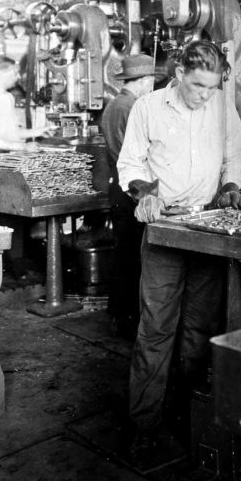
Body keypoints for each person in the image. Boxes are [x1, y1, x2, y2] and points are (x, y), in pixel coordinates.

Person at [116, 40, 241, 467]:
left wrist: (230, 186)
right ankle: (144, 427)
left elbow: (235, 155)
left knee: (199, 329)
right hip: (165, 228)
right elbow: (130, 163)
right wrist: (144, 192)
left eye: (212, 87)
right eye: (197, 86)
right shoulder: (148, 107)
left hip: (206, 227)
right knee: (156, 330)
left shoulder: (222, 106)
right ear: (178, 75)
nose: (205, 95)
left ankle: (188, 416)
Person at [100, 53, 155, 338]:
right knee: (133, 257)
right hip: (130, 191)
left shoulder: (114, 104)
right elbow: (134, 156)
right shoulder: (132, 107)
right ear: (144, 80)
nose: (152, 86)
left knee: (125, 255)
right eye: (151, 81)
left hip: (118, 188)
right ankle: (127, 318)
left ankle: (120, 314)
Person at [0, 55, 51, 152]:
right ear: (2, 74)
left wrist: (37, 132)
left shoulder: (6, 97)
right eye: (15, 73)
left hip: (3, 157)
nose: (18, 77)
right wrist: (23, 147)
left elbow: (9, 133)